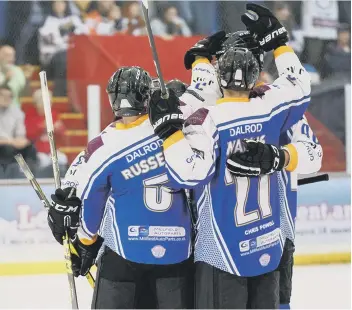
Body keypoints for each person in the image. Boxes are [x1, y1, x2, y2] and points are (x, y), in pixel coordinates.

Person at [148, 4, 311, 308]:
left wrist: (170, 133)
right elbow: (300, 87)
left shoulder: (206, 117)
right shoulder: (272, 106)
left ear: (218, 74)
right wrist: (279, 43)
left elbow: (188, 173)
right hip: (267, 240)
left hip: (220, 250)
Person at [46, 67, 196, 309]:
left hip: (127, 254)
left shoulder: (104, 145)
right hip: (177, 252)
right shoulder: (176, 126)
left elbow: (92, 202)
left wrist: (84, 243)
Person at [24, 89, 67, 177]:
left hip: (52, 148)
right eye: (44, 104)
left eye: (49, 103)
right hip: (37, 149)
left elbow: (62, 135)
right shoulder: (30, 114)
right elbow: (29, 135)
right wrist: (42, 126)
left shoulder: (53, 114)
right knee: (43, 161)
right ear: (36, 104)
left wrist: (59, 128)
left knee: (62, 159)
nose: (47, 106)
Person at [0, 85, 36, 178]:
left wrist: (21, 141)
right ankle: (5, 179)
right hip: (5, 145)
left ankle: (28, 177)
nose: (7, 99)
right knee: (7, 149)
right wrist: (11, 141)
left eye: (9, 96)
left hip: (12, 144)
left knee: (30, 148)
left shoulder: (17, 113)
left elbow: (21, 136)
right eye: (3, 95)